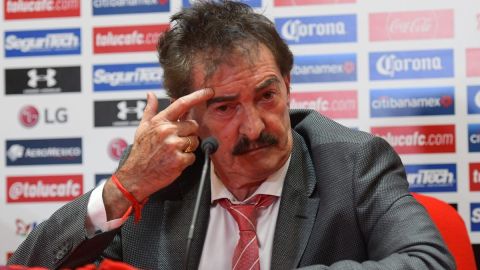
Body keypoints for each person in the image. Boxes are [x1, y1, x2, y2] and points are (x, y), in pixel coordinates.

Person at [8, 1, 455, 269]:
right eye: (225, 107)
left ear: (287, 85)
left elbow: (429, 262)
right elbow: (28, 266)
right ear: (187, 115)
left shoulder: (353, 162)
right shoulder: (162, 177)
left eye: (267, 95)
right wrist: (126, 189)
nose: (256, 127)